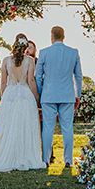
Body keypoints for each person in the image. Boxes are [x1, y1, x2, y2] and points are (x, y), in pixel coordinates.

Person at [0, 34, 44, 172]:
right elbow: (31, 82)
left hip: (10, 95)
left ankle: (9, 155)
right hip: (26, 96)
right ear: (26, 47)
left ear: (14, 45)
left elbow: (3, 82)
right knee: (25, 125)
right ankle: (24, 156)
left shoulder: (6, 60)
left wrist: (4, 98)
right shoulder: (30, 61)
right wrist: (37, 98)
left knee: (8, 127)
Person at [35, 26, 83, 168]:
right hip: (67, 95)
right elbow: (78, 76)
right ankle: (68, 160)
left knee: (48, 129)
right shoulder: (73, 52)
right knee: (67, 128)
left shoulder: (44, 53)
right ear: (64, 36)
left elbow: (38, 76)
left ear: (51, 36)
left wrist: (39, 93)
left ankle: (45, 160)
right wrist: (77, 95)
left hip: (48, 95)